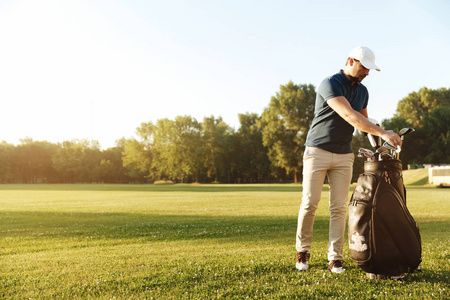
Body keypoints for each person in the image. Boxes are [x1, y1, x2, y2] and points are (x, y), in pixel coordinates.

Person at [295, 46, 402, 274]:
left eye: (369, 69)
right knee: (310, 203)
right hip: (317, 150)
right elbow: (348, 115)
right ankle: (302, 252)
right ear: (350, 61)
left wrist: (381, 137)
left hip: (344, 154)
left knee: (339, 208)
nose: (367, 73)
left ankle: (335, 258)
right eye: (364, 67)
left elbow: (364, 121)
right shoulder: (330, 83)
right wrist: (383, 133)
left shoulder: (363, 91)